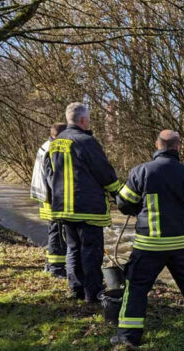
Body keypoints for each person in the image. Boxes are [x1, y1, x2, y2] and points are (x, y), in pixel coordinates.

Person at [112, 130, 184, 346]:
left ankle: (128, 336)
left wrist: (137, 207)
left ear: (157, 145)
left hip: (149, 245)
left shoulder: (140, 172)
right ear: (178, 147)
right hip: (182, 245)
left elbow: (123, 204)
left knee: (137, 287)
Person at [44, 103, 121, 302]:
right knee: (91, 252)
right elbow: (104, 172)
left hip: (64, 208)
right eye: (88, 119)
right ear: (83, 120)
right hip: (87, 208)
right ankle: (93, 294)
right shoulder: (86, 141)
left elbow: (49, 174)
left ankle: (76, 289)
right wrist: (119, 194)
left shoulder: (54, 143)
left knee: (73, 249)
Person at [30, 122, 67, 277]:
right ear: (58, 136)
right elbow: (53, 179)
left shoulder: (46, 145)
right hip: (51, 198)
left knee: (55, 231)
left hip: (45, 197)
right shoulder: (52, 149)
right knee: (57, 233)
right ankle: (56, 268)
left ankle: (51, 265)